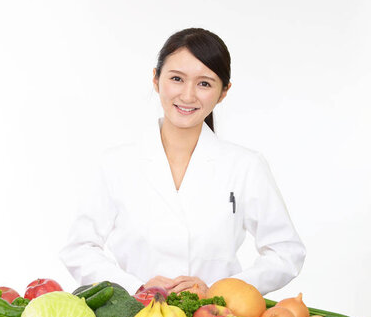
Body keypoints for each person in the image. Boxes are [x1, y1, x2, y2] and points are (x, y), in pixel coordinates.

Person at [59, 28, 306, 297]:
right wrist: (136, 288)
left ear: (224, 92)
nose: (188, 96)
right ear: (156, 79)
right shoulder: (116, 164)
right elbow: (79, 249)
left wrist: (219, 292)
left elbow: (286, 252)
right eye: (177, 78)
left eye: (204, 83)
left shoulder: (246, 166)